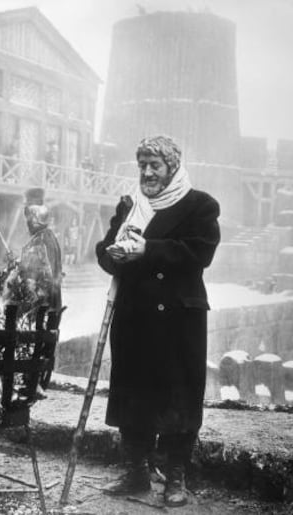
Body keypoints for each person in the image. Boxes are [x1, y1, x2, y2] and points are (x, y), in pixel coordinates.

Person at [95, 135, 220, 507]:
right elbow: (103, 252)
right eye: (143, 166)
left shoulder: (200, 205)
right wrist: (115, 253)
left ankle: (175, 476)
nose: (147, 173)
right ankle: (135, 471)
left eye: (155, 166)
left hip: (178, 320)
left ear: (173, 168)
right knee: (134, 393)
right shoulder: (131, 206)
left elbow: (199, 253)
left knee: (178, 397)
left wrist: (147, 250)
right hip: (134, 316)